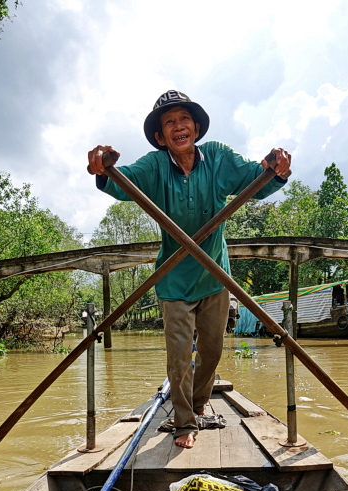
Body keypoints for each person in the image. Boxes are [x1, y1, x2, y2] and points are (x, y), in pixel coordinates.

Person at [88, 90, 291, 448]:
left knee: (211, 352)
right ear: (160, 137)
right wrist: (104, 166)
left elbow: (255, 180)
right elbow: (120, 183)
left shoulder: (217, 157)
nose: (178, 127)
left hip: (214, 274)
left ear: (196, 127)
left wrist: (275, 167)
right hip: (173, 279)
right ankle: (183, 423)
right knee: (180, 357)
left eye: (184, 120)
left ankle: (198, 405)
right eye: (169, 123)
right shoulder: (154, 166)